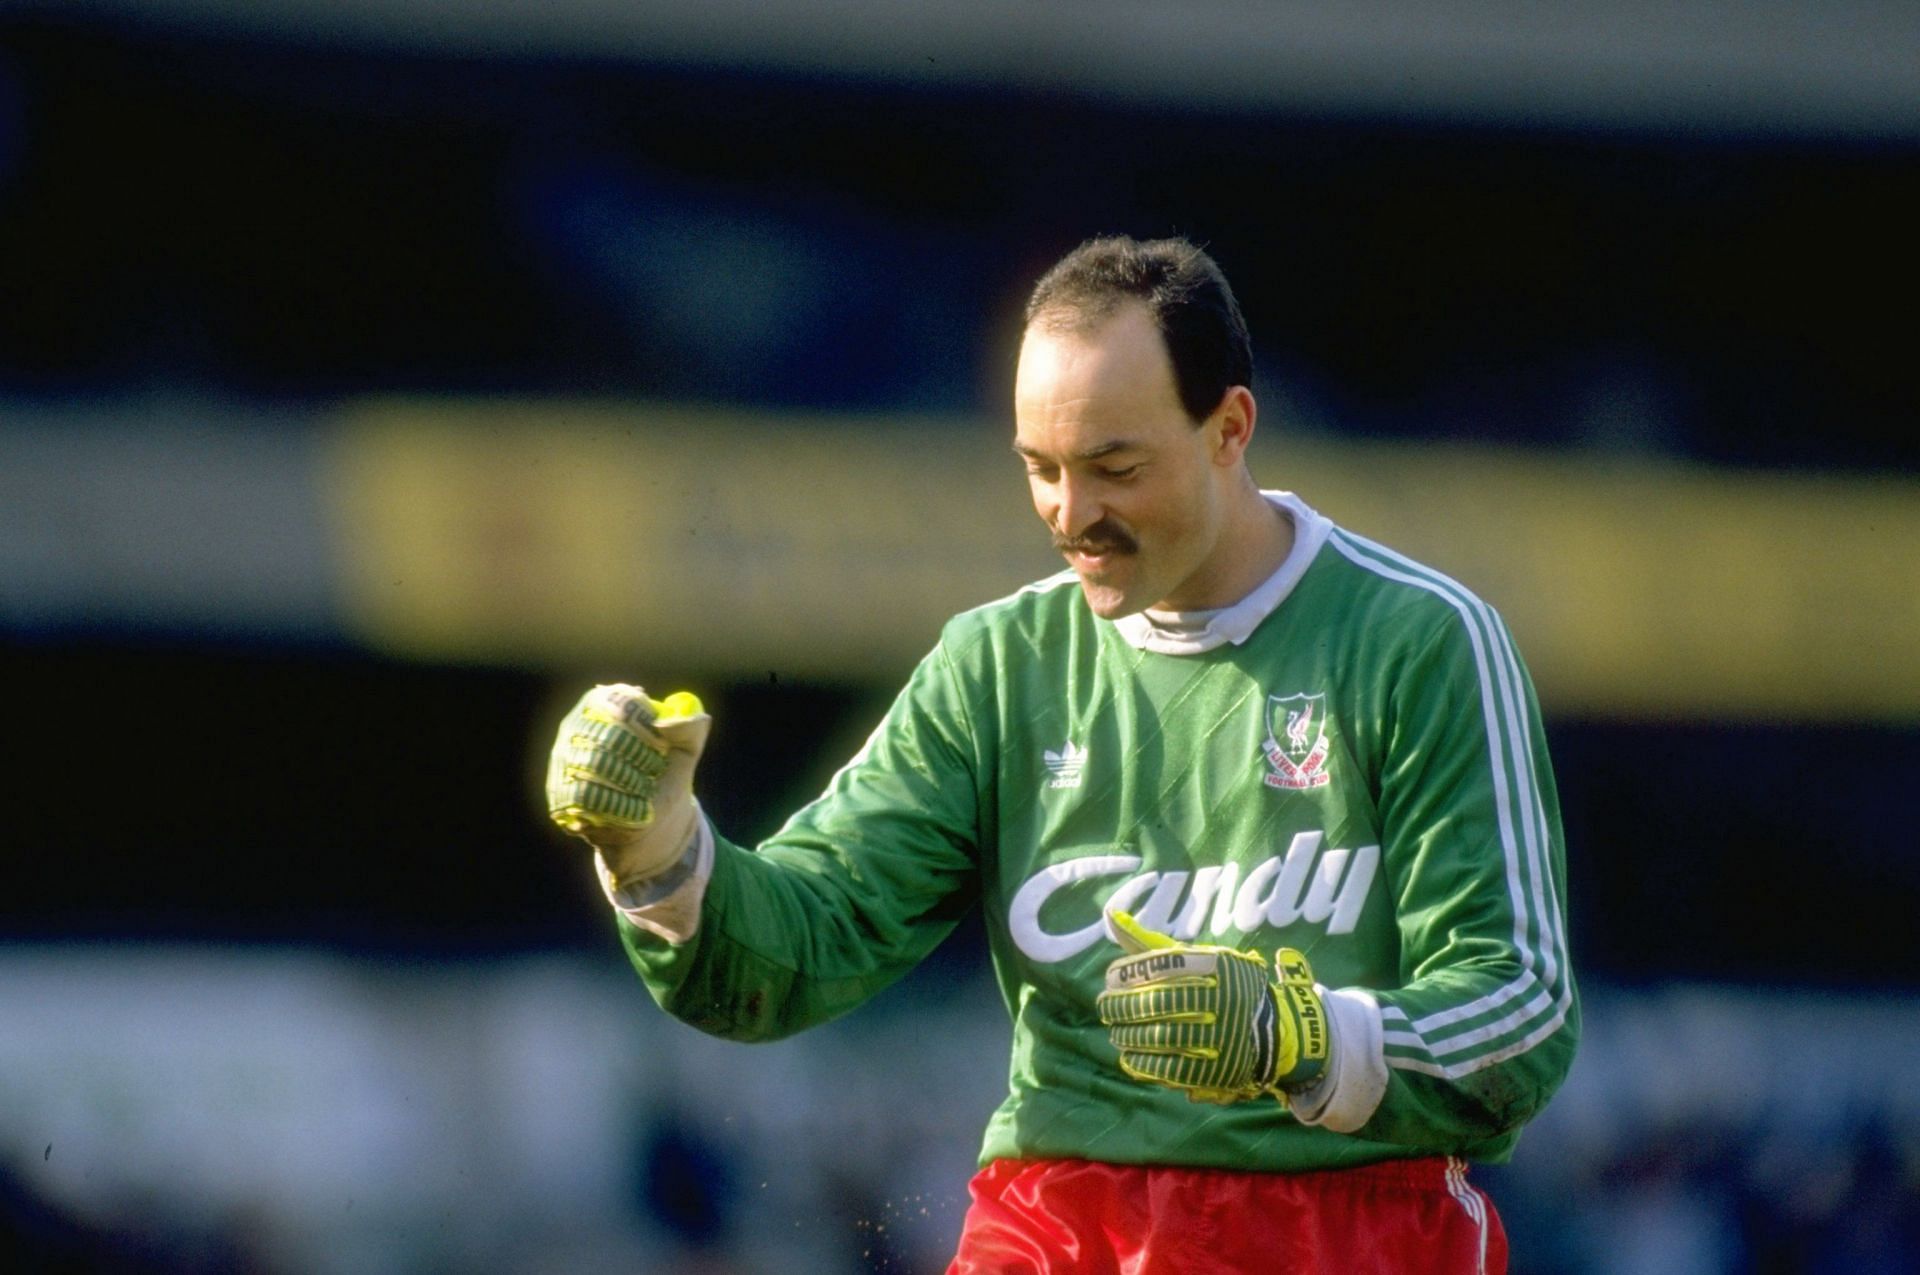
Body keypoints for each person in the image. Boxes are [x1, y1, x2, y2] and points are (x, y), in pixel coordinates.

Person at [544, 235, 1578, 1273]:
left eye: (1114, 469)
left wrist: (1296, 1036)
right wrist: (658, 849)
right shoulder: (999, 665)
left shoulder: (1421, 641)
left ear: (1229, 428)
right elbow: (798, 950)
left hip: (1351, 1229)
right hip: (1059, 1229)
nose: (1072, 517)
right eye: (1041, 470)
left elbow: (1521, 1013)